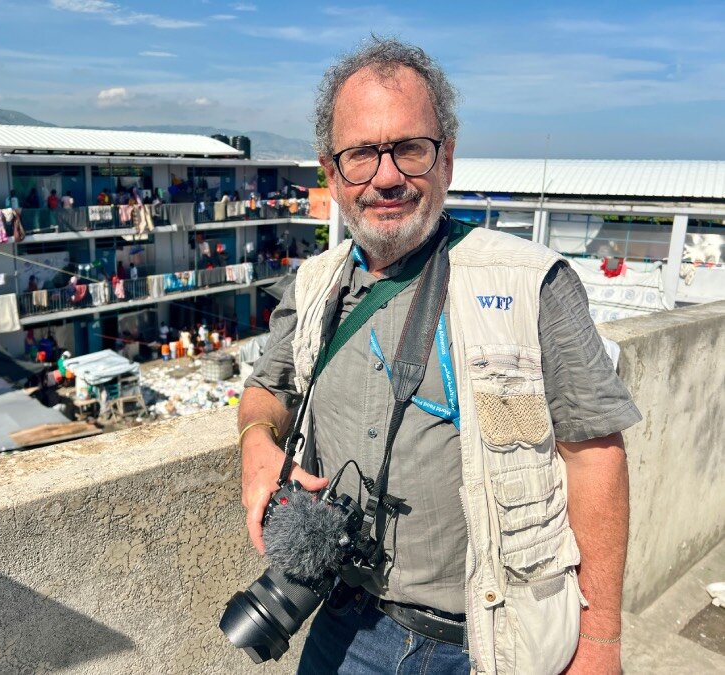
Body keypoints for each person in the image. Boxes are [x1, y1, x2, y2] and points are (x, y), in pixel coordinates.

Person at [239, 38, 640, 675]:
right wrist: (257, 442)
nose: (387, 176)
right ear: (332, 172)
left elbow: (595, 457)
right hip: (346, 618)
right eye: (361, 155)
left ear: (446, 158)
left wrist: (598, 645)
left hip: (492, 638)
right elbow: (268, 386)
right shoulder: (315, 285)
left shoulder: (531, 283)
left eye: (410, 148)